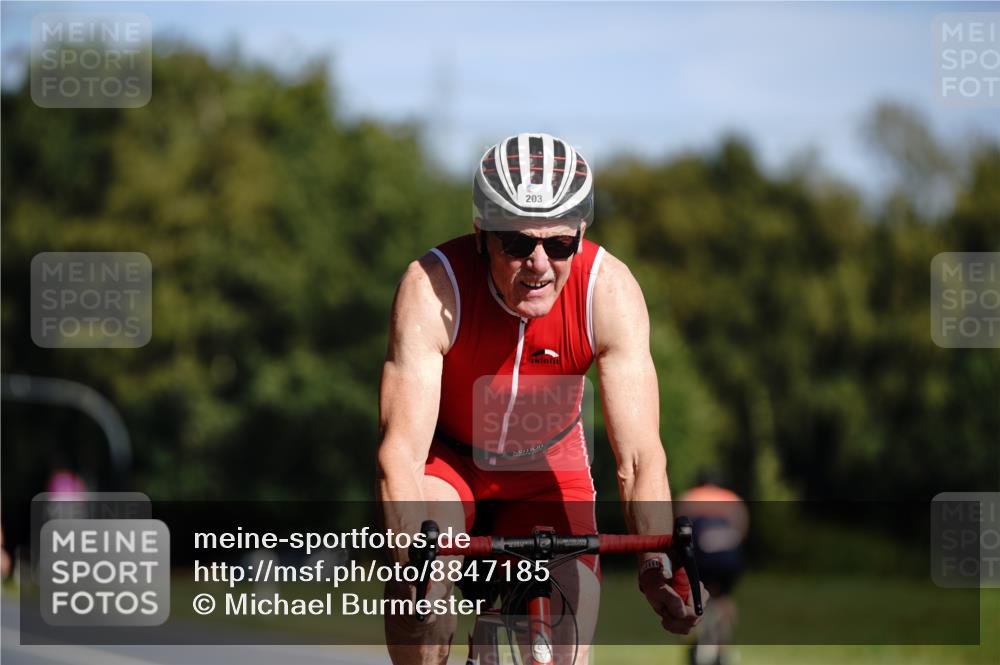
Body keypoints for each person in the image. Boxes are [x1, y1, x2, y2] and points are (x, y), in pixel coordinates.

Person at [378, 132, 705, 664]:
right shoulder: (433, 287)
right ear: (481, 235)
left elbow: (641, 458)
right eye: (516, 244)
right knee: (423, 616)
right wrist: (413, 570)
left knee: (564, 646)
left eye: (558, 245)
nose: (538, 264)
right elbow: (399, 455)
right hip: (449, 464)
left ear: (580, 234)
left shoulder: (609, 291)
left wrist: (656, 567)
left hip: (549, 467)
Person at [677, 470, 749, 665]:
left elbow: (678, 532)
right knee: (724, 599)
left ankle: (694, 643)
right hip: (729, 558)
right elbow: (742, 530)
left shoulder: (690, 497)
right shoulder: (731, 498)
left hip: (701, 557)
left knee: (693, 598)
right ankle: (724, 647)